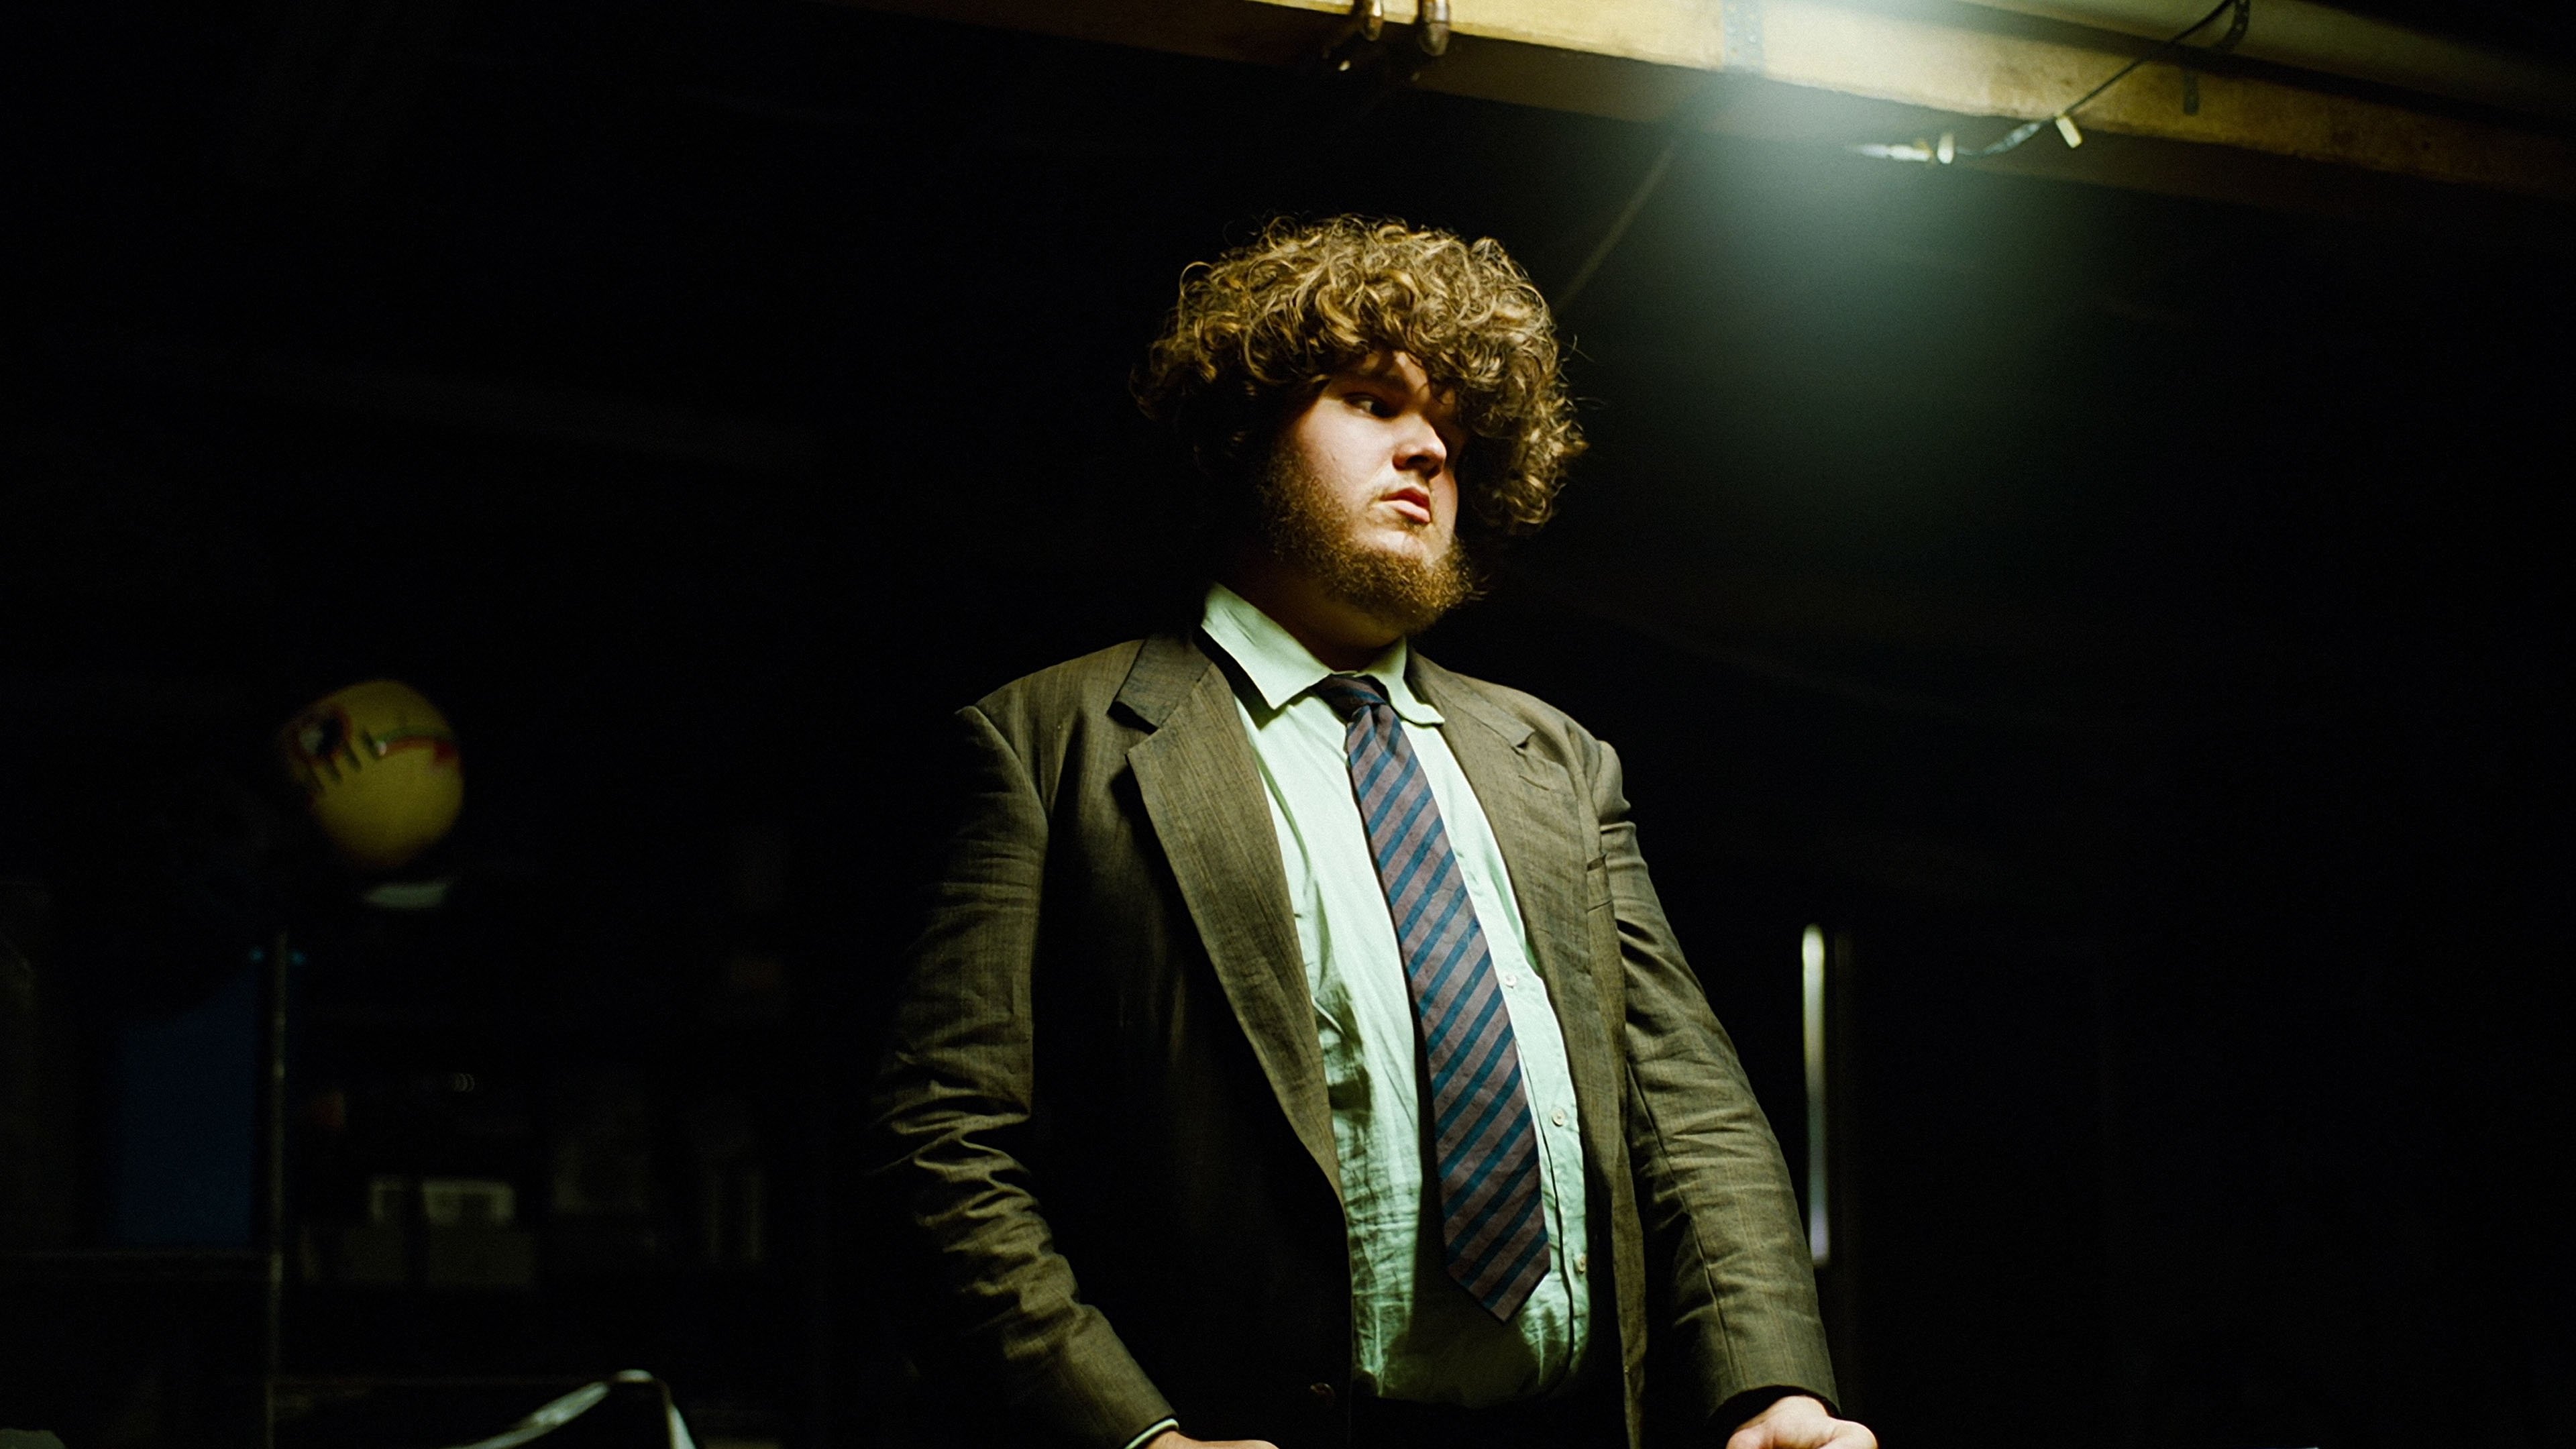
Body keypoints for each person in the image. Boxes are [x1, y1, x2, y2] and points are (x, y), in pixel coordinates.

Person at [866, 217, 1873, 1449]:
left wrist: (1773, 1388)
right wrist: (1133, 1438)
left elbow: (1688, 1106)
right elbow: (939, 1145)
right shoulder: (1048, 743)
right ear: (1245, 438)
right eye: (1368, 399)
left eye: (1454, 425)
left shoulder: (1556, 761)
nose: (1429, 446)